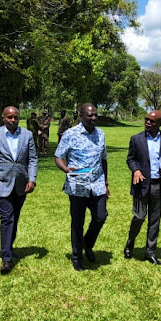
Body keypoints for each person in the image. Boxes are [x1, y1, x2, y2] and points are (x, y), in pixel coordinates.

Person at [0, 106, 38, 274]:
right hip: (0, 183)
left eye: (16, 117)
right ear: (3, 118)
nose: (13, 120)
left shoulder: (27, 135)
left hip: (21, 184)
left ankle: (9, 247)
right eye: (10, 118)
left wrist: (32, 179)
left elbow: (33, 159)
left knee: (15, 217)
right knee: (7, 218)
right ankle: (6, 259)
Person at [54, 103, 109, 271]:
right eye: (90, 115)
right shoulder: (70, 134)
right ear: (81, 115)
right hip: (77, 185)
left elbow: (104, 159)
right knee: (78, 222)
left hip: (97, 183)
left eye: (95, 115)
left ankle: (87, 244)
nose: (93, 118)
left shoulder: (100, 134)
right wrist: (65, 168)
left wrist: (106, 183)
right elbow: (58, 156)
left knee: (100, 216)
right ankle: (77, 256)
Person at [124, 110, 161, 265]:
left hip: (159, 186)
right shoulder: (136, 139)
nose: (147, 122)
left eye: (152, 121)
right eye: (146, 120)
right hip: (141, 185)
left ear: (160, 123)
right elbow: (130, 159)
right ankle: (130, 242)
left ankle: (150, 252)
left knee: (155, 220)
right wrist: (136, 170)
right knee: (139, 217)